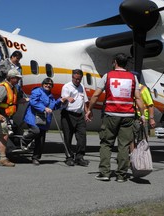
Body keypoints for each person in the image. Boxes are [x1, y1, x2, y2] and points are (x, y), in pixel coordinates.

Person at [86, 53, 145, 182]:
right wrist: (142, 115)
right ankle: (121, 175)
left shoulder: (108, 76)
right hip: (128, 116)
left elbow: (96, 95)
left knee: (106, 144)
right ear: (125, 63)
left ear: (115, 62)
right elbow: (138, 98)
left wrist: (89, 109)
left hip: (111, 115)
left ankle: (105, 173)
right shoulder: (133, 78)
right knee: (123, 145)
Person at [20, 78, 66, 165]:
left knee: (41, 140)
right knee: (35, 131)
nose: (48, 85)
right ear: (43, 84)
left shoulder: (51, 97)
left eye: (50, 84)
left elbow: (53, 107)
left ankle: (36, 158)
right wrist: (44, 108)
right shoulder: (37, 91)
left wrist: (60, 101)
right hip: (33, 117)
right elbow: (33, 102)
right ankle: (24, 140)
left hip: (43, 120)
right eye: (46, 83)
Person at [0, 68, 27, 167]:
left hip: (3, 114)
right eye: (16, 78)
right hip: (0, 115)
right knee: (4, 136)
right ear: (10, 78)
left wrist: (23, 100)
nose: (18, 80)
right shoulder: (3, 87)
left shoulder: (12, 87)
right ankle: (3, 158)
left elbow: (10, 101)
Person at [60, 69, 89, 167]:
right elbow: (62, 100)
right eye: (76, 79)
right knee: (68, 137)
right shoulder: (67, 87)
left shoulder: (82, 87)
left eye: (79, 79)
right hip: (68, 114)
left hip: (80, 115)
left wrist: (87, 112)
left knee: (82, 137)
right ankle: (69, 157)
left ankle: (79, 157)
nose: (77, 81)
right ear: (72, 77)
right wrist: (67, 98)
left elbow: (84, 101)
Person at [131, 82, 156, 152]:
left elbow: (150, 104)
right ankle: (134, 155)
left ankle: (142, 155)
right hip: (131, 117)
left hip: (141, 118)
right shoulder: (129, 87)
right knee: (131, 138)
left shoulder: (142, 89)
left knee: (142, 139)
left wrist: (151, 119)